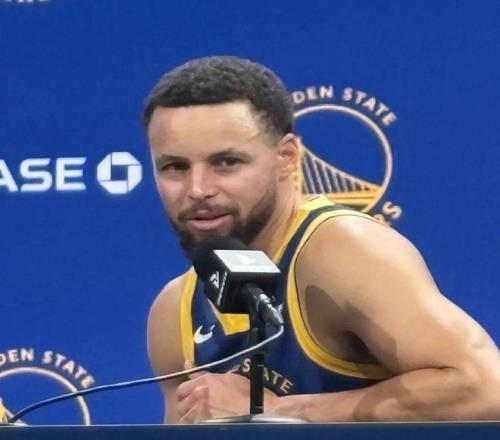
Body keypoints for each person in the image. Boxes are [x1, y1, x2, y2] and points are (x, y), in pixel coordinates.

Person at [144, 56, 500, 424]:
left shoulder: (343, 253)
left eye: (227, 162)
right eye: (175, 167)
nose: (198, 189)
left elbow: (486, 388)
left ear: (287, 157)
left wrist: (278, 413)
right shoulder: (174, 311)